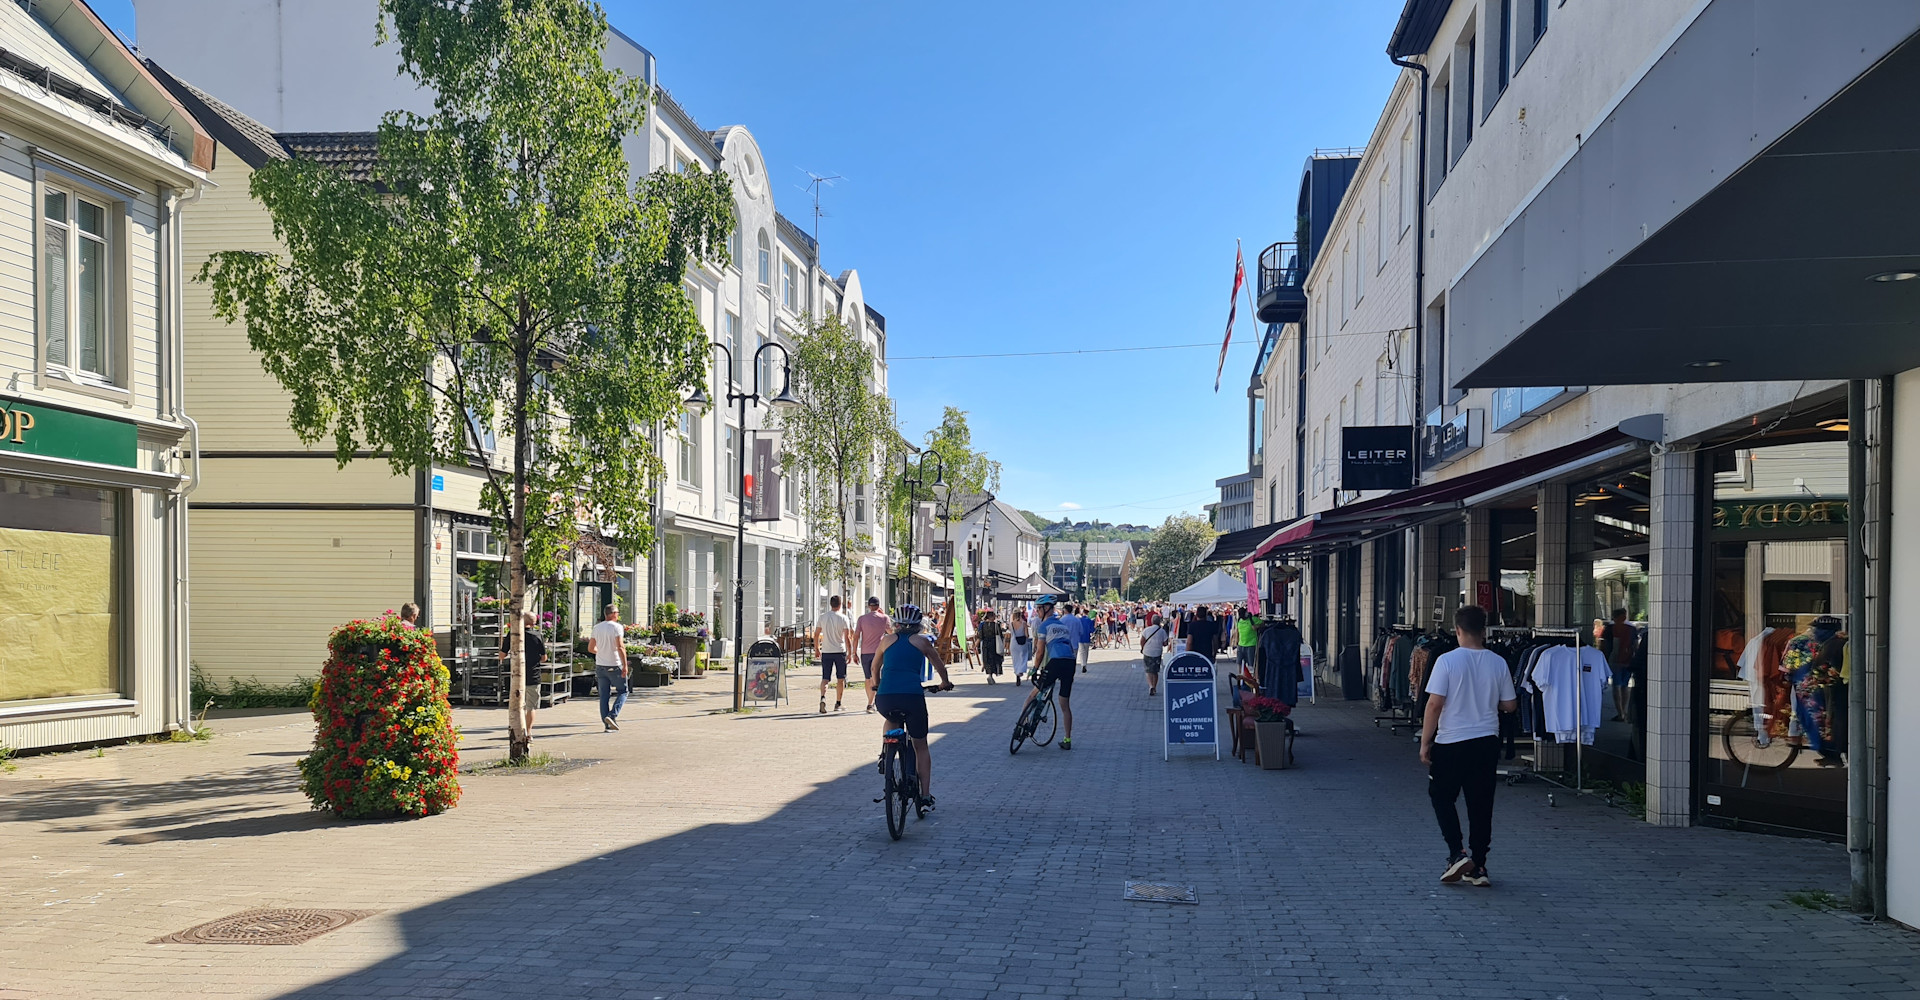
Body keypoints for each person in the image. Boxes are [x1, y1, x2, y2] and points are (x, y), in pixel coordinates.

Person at [1420, 604, 1518, 888]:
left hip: (1451, 741)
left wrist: (1425, 742)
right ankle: (1480, 865)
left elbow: (1434, 704)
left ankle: (1457, 853)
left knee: (1441, 796)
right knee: (1481, 804)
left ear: (1458, 630)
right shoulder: (1498, 662)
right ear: (1484, 631)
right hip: (1486, 741)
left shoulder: (1447, 661)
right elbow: (1510, 705)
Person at [870, 604, 953, 804]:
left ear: (896, 624)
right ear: (918, 624)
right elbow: (939, 665)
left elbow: (874, 667)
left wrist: (878, 685)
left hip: (886, 697)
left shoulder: (886, 640)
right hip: (912, 697)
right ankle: (925, 795)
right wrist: (945, 683)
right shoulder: (922, 641)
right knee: (920, 745)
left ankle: (886, 753)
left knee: (891, 718)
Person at [1025, 594, 1080, 749]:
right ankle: (1067, 739)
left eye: (1038, 609)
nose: (1037, 611)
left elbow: (1040, 652)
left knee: (1032, 694)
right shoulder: (1063, 626)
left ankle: (1023, 724)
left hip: (1056, 662)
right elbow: (1069, 647)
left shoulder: (1044, 626)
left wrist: (1034, 669)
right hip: (1070, 662)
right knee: (1065, 704)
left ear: (1046, 608)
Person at [586, 603, 628, 732]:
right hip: (614, 663)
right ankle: (612, 715)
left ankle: (607, 725)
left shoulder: (597, 627)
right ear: (614, 614)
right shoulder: (617, 627)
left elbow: (591, 648)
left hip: (600, 665)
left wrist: (601, 652)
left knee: (604, 695)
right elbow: (620, 647)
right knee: (623, 691)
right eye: (617, 613)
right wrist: (625, 665)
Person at [815, 595, 854, 714]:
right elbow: (847, 637)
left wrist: (817, 649)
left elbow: (816, 634)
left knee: (825, 678)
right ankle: (838, 703)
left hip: (826, 650)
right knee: (840, 678)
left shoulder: (823, 617)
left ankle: (823, 697)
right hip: (839, 650)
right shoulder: (843, 618)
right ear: (840, 604)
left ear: (830, 604)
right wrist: (850, 653)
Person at [1600, 608, 1637, 723]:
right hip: (1628, 660)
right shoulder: (1631, 629)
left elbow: (1603, 645)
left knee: (1616, 686)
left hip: (1614, 661)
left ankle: (1620, 712)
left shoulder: (1609, 628)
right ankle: (1624, 711)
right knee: (1625, 686)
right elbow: (1635, 645)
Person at [855, 596, 890, 714]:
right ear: (878, 606)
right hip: (879, 652)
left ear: (868, 606)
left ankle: (870, 702)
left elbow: (856, 636)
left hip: (865, 652)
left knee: (867, 678)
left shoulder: (862, 619)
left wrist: (853, 652)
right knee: (876, 676)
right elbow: (892, 632)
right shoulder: (884, 618)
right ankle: (871, 703)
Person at [520, 610, 545, 738]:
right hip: (533, 674)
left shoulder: (514, 635)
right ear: (534, 622)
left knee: (517, 705)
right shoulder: (537, 636)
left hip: (517, 675)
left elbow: (502, 654)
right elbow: (544, 657)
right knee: (531, 706)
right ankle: (528, 732)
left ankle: (517, 730)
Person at [1140, 613, 1170, 696]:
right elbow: (1165, 643)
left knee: (1148, 670)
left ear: (1152, 621)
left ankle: (1150, 686)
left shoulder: (1146, 630)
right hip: (1157, 652)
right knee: (1155, 671)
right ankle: (1154, 686)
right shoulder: (1162, 631)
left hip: (1147, 652)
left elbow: (1142, 641)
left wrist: (1142, 648)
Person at [978, 609, 1006, 684]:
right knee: (994, 659)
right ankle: (991, 675)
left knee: (987, 659)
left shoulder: (983, 625)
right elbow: (1000, 635)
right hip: (994, 644)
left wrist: (976, 645)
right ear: (991, 617)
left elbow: (980, 636)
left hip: (985, 644)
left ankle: (989, 674)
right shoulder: (996, 625)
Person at [1009, 609, 1032, 685]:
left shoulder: (1011, 624)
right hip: (1022, 643)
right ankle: (1020, 671)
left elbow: (1011, 633)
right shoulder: (1023, 623)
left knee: (1015, 659)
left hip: (1014, 643)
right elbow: (1026, 635)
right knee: (1023, 657)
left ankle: (1017, 673)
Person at [1235, 606, 1258, 673]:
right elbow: (1237, 631)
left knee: (1251, 662)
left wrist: (1254, 625)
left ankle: (1252, 675)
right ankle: (1240, 675)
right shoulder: (1239, 620)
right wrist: (1237, 640)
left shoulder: (1253, 619)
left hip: (1251, 644)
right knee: (1239, 662)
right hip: (1241, 644)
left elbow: (1262, 624)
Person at [1074, 603, 1095, 673]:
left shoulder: (1079, 620)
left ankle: (1083, 664)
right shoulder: (1090, 620)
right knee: (1086, 652)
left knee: (1081, 652)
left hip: (1080, 638)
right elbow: (1092, 630)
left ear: (1083, 613)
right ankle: (1085, 664)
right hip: (1087, 637)